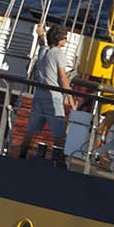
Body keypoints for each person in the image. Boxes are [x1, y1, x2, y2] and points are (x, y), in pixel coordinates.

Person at [15, 25, 74, 163]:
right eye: (65, 38)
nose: (66, 40)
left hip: (39, 96)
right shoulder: (58, 54)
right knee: (59, 132)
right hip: (52, 96)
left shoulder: (43, 51)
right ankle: (60, 161)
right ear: (59, 39)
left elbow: (42, 43)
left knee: (32, 128)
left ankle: (22, 153)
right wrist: (70, 97)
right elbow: (62, 78)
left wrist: (41, 34)